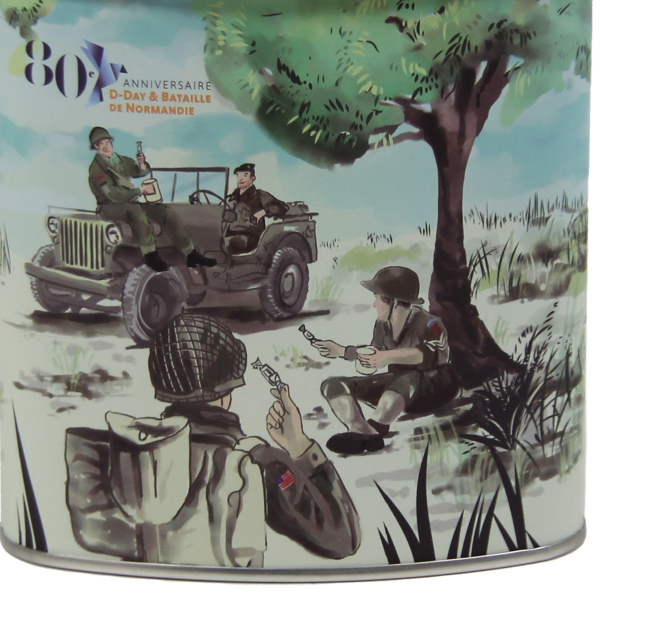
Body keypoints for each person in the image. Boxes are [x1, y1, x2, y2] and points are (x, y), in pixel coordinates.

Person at [65, 314, 361, 567]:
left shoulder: (124, 453)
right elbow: (342, 538)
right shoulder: (259, 461)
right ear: (227, 388)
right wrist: (298, 444)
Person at [312, 266, 461, 456]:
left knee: (405, 378)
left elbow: (432, 355)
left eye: (377, 297)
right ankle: (359, 429)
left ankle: (376, 426)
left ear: (394, 301)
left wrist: (387, 357)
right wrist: (341, 351)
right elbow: (375, 353)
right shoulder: (382, 326)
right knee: (332, 384)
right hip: (398, 392)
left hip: (434, 387)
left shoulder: (430, 323)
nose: (374, 304)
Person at [87, 127, 216, 272]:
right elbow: (114, 195)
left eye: (107, 142)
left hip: (129, 202)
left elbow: (139, 171)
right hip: (109, 206)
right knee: (136, 211)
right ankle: (150, 254)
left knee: (165, 212)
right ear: (96, 147)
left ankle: (190, 253)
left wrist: (142, 164)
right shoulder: (97, 170)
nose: (106, 147)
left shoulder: (120, 161)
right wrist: (140, 191)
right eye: (101, 144)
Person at [224, 163, 289, 254]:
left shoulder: (259, 195)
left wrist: (262, 212)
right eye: (238, 175)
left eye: (245, 175)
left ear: (253, 178)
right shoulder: (231, 198)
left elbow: (281, 207)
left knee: (224, 244)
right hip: (229, 235)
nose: (240, 178)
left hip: (250, 238)